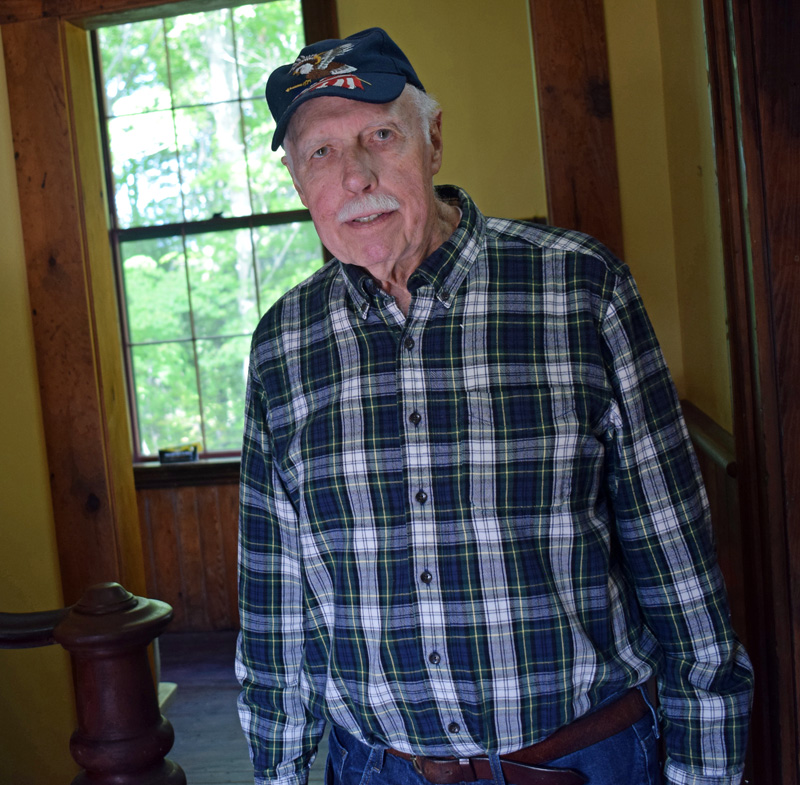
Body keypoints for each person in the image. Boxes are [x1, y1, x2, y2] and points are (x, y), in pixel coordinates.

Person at [236, 27, 753, 785]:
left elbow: (676, 562)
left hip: (588, 759)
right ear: (297, 181)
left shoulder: (580, 289)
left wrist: (708, 771)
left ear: (433, 140)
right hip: (383, 769)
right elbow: (276, 599)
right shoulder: (283, 344)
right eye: (321, 153)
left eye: (382, 134)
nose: (355, 176)